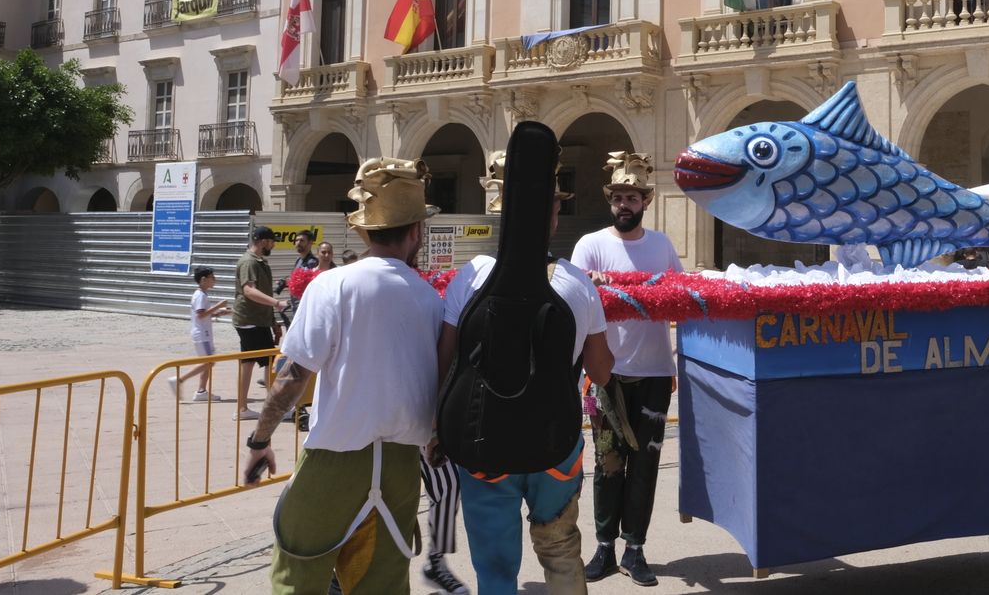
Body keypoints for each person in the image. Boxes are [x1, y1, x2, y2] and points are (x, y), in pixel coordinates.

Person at [243, 158, 444, 595]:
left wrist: (260, 441)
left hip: (335, 458)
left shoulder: (333, 286)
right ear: (415, 232)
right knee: (383, 584)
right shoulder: (431, 298)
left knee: (297, 575)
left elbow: (293, 376)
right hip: (399, 466)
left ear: (364, 232)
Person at [439, 169, 615, 595]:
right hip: (555, 444)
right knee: (560, 551)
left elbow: (446, 362)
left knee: (495, 567)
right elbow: (602, 372)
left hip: (484, 445)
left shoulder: (471, 276)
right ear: (554, 214)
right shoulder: (578, 284)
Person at [575, 152, 682, 587]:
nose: (624, 204)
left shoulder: (662, 245)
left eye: (632, 197)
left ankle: (634, 548)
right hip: (606, 375)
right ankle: (604, 548)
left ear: (645, 202)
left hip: (655, 372)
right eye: (618, 197)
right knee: (607, 464)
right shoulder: (590, 245)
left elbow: (680, 295)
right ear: (610, 201)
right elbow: (574, 305)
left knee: (646, 465)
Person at [234, 227, 289, 421]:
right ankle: (274, 408)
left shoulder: (258, 261)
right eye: (272, 241)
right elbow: (249, 291)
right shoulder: (249, 261)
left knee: (248, 363)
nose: (273, 245)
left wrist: (272, 321)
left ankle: (242, 409)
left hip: (256, 319)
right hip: (251, 320)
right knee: (270, 363)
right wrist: (277, 304)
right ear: (263, 241)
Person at [169, 267, 230, 403]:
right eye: (212, 278)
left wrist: (218, 312)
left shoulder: (202, 294)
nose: (215, 280)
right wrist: (218, 306)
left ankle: (201, 391)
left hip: (204, 334)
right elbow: (201, 314)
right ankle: (180, 380)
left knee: (208, 362)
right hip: (202, 335)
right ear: (203, 279)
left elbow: (204, 313)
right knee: (209, 362)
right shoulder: (200, 295)